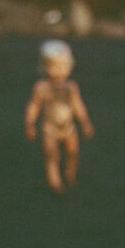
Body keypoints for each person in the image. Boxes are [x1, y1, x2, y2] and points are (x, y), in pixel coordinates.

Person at [24, 40, 94, 194]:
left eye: (63, 67)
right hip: (49, 128)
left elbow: (78, 106)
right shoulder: (42, 87)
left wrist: (85, 122)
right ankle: (54, 181)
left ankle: (70, 176)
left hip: (69, 127)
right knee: (51, 155)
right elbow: (33, 106)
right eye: (54, 67)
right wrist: (29, 124)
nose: (59, 71)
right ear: (44, 67)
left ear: (70, 67)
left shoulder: (71, 87)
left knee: (72, 152)